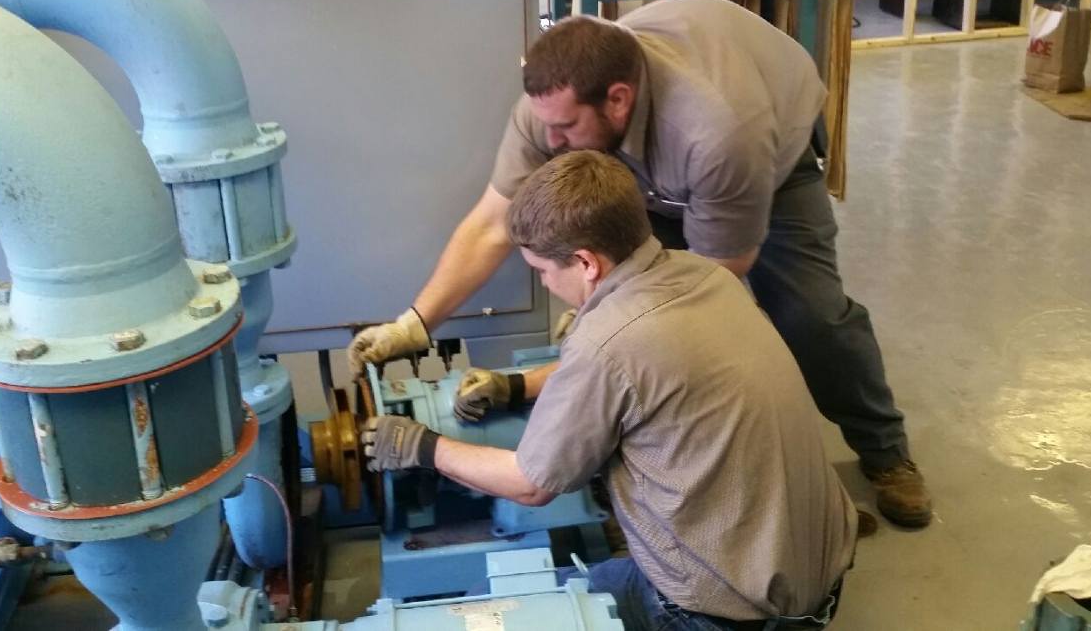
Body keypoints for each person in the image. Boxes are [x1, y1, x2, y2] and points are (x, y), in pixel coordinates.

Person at [347, 0, 930, 527]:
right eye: (546, 125)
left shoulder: (720, 133)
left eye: (565, 129)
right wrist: (414, 324)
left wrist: (588, 345)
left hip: (766, 164)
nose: (550, 143)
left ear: (618, 100)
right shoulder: (556, 109)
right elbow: (493, 221)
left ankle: (884, 452)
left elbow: (705, 289)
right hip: (642, 165)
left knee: (807, 319)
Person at [361, 151, 857, 631]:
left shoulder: (607, 342)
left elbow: (532, 484)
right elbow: (641, 369)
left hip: (719, 615)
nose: (546, 283)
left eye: (542, 271)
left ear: (585, 262)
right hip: (820, 582)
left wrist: (422, 445)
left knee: (482, 609)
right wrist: (515, 387)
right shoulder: (706, 275)